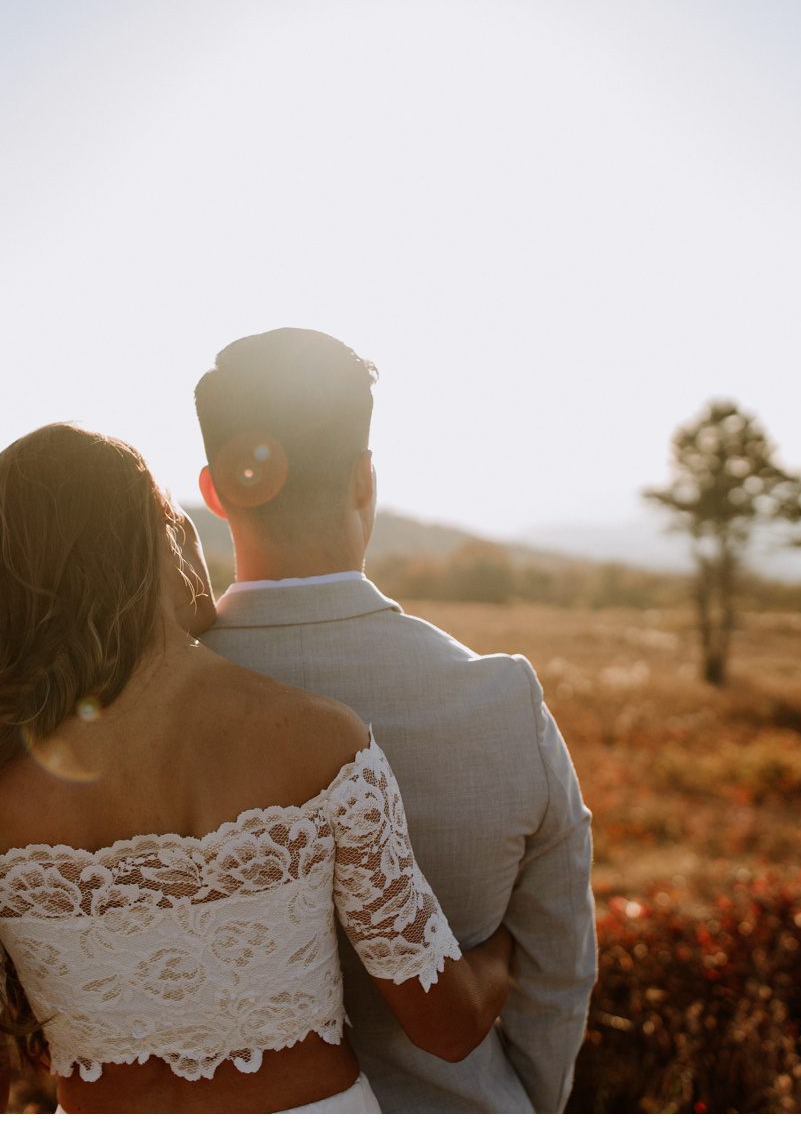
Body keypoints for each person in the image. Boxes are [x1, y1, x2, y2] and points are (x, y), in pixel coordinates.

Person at [0, 423, 515, 1113]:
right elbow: (446, 1025)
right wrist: (508, 946)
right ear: (156, 541)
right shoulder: (319, 740)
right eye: (172, 510)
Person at [194, 328, 597, 1113]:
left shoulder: (153, 705)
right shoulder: (501, 699)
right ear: (364, 479)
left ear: (214, 490)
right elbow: (561, 967)